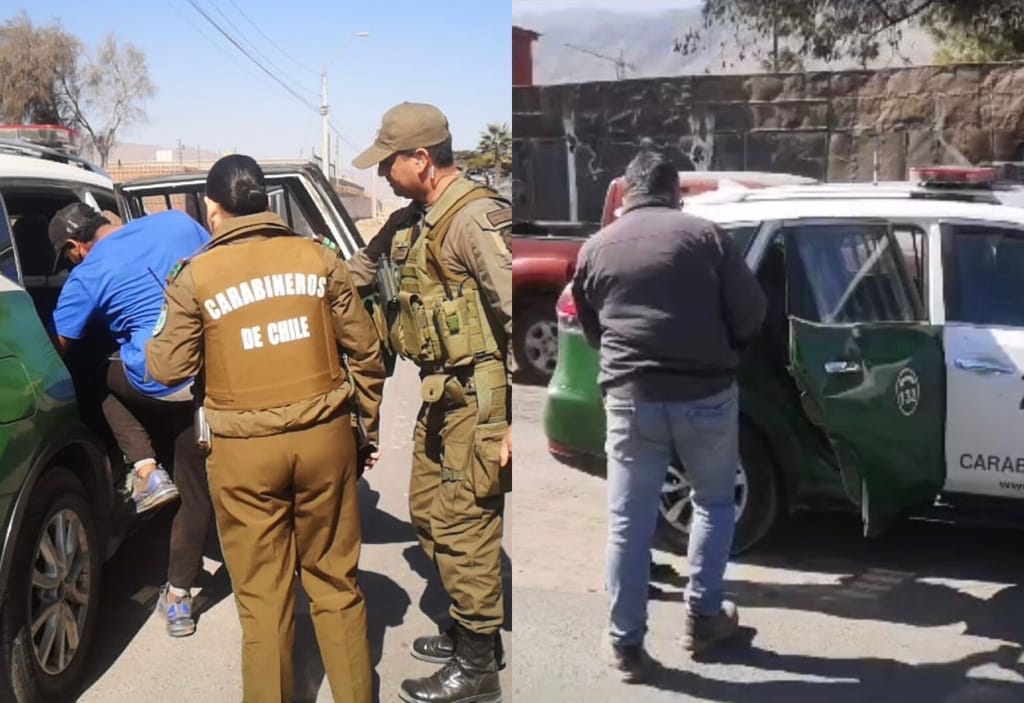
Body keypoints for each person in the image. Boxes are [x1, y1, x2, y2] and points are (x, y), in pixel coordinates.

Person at [145, 154, 386, 703]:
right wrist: (364, 428)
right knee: (336, 585)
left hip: (243, 453)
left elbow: (165, 369)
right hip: (325, 438)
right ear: (267, 202)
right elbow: (367, 351)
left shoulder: (195, 276)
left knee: (263, 597)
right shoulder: (319, 259)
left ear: (213, 209)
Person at [571, 148, 767, 682]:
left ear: (627, 193)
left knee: (627, 524)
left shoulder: (595, 248)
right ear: (674, 190)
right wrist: (728, 351)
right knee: (713, 503)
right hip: (706, 395)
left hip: (631, 399)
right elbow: (751, 312)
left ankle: (626, 646)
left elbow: (591, 326)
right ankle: (704, 619)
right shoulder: (705, 239)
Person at [348, 102, 511, 703]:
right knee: (426, 513)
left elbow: (518, 313)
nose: (382, 175)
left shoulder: (475, 219)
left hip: (481, 399)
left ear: (421, 158)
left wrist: (512, 422)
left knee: (464, 525)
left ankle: (478, 670)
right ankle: (475, 632)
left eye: (388, 163)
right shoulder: (414, 220)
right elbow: (356, 274)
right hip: (442, 396)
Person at [49, 202, 213, 637]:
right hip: (207, 378)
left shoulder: (85, 275)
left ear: (74, 247)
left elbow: (57, 352)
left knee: (91, 369)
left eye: (66, 258)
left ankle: (144, 470)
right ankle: (179, 599)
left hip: (155, 380)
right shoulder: (178, 222)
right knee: (195, 491)